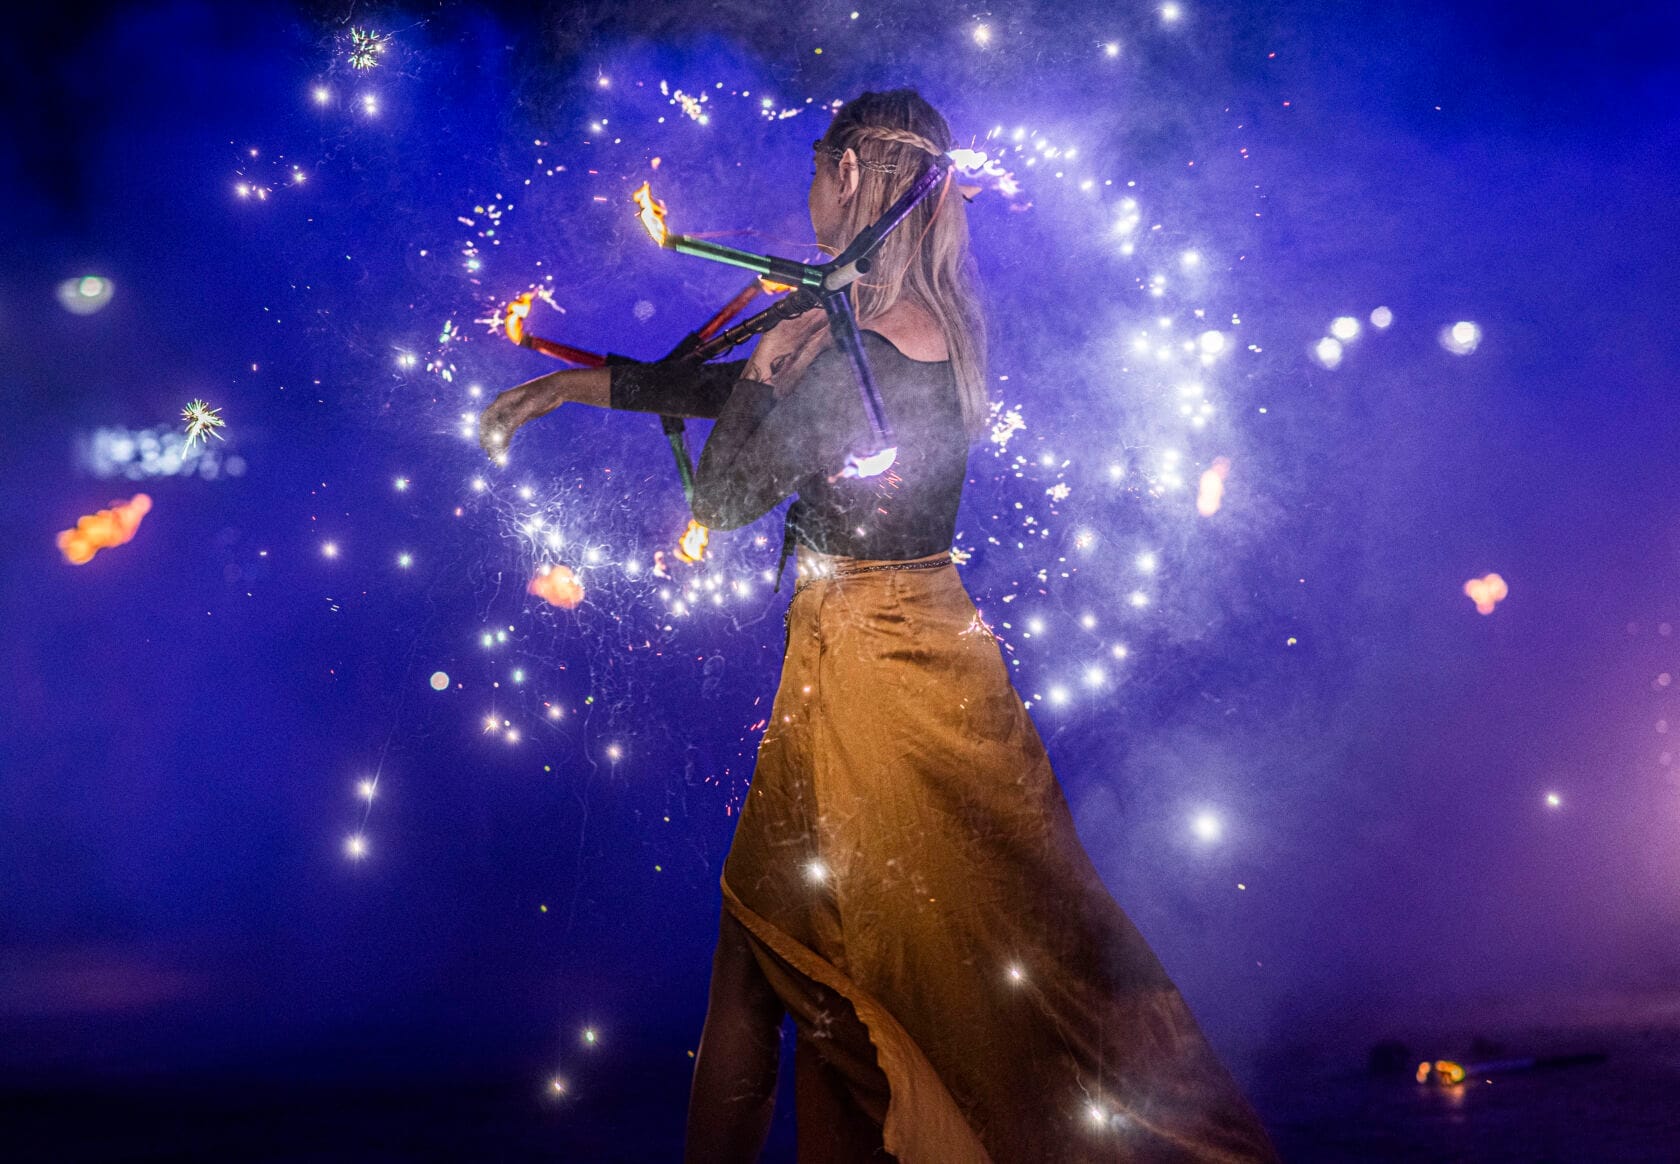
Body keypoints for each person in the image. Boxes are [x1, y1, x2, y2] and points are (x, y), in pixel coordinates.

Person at [480, 88, 1277, 1164]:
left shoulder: (876, 349)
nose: (808, 189)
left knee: (784, 957)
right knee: (796, 959)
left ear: (851, 173)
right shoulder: (895, 327)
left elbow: (725, 496)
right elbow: (730, 391)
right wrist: (579, 387)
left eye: (818, 166)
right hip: (903, 654)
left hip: (872, 676)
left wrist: (765, 372)